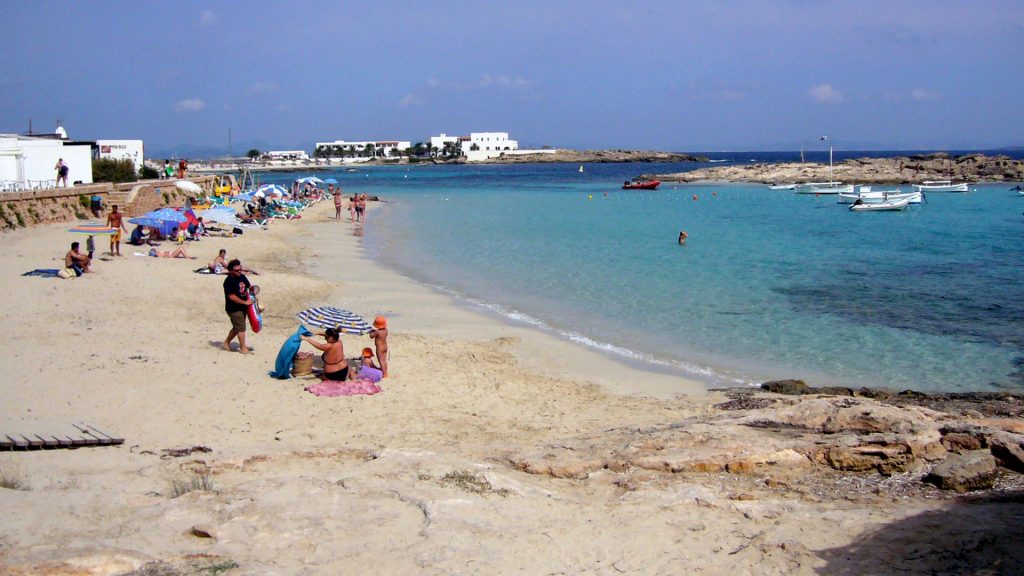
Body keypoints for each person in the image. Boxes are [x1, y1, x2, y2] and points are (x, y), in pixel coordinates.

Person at [222, 259, 253, 354]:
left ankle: (226, 343)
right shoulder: (228, 281)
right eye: (236, 270)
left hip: (243, 307)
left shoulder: (242, 277)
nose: (239, 271)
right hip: (234, 308)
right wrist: (244, 302)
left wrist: (253, 293)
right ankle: (243, 348)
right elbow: (232, 297)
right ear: (231, 270)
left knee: (237, 327)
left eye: (240, 269)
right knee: (241, 328)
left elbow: (249, 287)